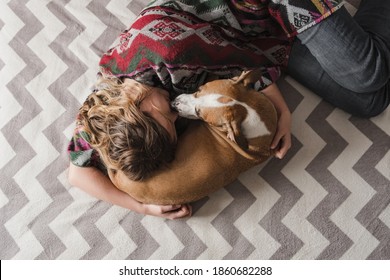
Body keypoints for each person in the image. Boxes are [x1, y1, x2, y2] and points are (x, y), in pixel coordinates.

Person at [67, 0, 389, 219]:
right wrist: (143, 208)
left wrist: (283, 111)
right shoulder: (104, 114)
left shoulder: (170, 53)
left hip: (249, 11)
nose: (177, 115)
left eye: (167, 116)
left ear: (140, 103)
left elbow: (243, 62)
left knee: (369, 73)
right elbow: (77, 172)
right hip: (252, 36)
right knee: (369, 100)